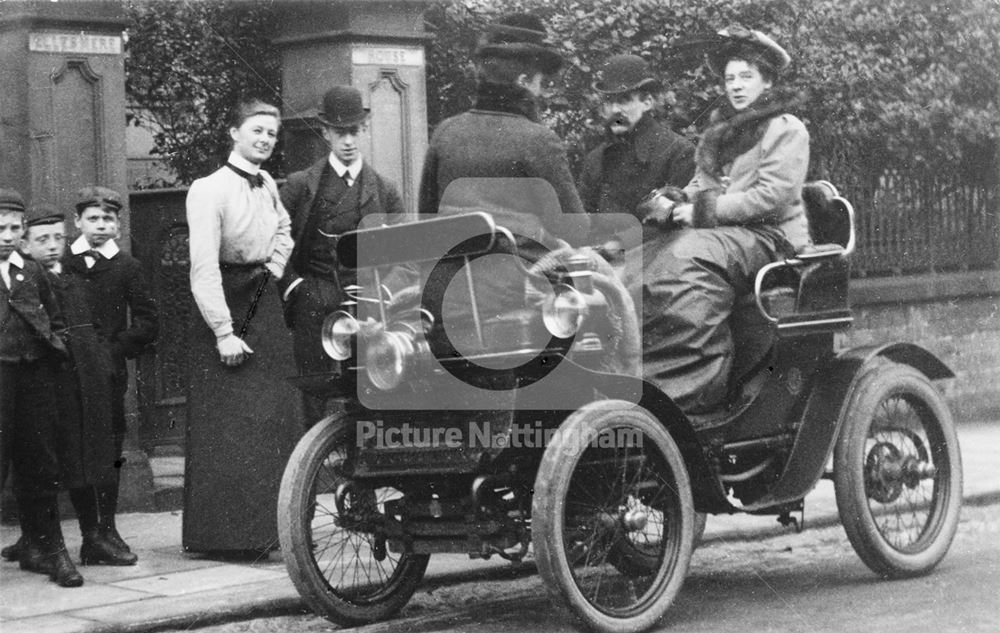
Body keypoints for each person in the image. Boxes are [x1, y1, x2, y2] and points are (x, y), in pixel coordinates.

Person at [625, 26, 811, 419]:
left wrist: (702, 213)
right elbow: (702, 184)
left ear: (768, 81)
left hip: (771, 237)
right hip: (731, 235)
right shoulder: (723, 133)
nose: (737, 86)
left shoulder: (787, 129)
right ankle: (643, 381)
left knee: (685, 258)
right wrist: (676, 199)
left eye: (747, 76)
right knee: (644, 258)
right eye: (730, 78)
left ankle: (690, 398)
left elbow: (770, 197)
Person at [414, 12, 590, 323]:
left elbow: (425, 216)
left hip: (446, 294)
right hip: (518, 296)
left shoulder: (445, 132)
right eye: (540, 83)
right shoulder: (538, 140)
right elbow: (575, 229)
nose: (542, 93)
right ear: (523, 81)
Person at [183, 96, 299, 555]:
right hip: (224, 304)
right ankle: (223, 538)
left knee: (269, 416)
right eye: (257, 130)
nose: (265, 140)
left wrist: (273, 267)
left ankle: (264, 533)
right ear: (234, 132)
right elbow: (202, 267)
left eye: (271, 134)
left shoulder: (268, 182)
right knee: (228, 426)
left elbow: (285, 229)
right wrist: (223, 331)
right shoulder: (207, 189)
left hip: (261, 298)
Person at [4, 205, 134, 568]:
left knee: (85, 456)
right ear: (26, 244)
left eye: (58, 238)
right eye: (42, 239)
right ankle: (35, 537)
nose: (52, 246)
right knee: (38, 459)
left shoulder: (74, 278)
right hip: (43, 381)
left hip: (80, 381)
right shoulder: (24, 280)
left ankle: (94, 536)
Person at [278, 85, 405, 426]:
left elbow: (408, 256)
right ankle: (313, 471)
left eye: (353, 131)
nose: (347, 141)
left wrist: (383, 297)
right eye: (339, 132)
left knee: (372, 387)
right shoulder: (301, 185)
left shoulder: (385, 190)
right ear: (326, 133)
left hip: (369, 303)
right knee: (314, 392)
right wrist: (296, 287)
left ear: (364, 130)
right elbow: (272, 242)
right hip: (314, 299)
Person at [63, 186, 158, 556]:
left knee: (109, 450)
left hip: (107, 377)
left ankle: (108, 529)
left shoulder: (127, 267)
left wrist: (111, 352)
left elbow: (149, 322)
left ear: (118, 224)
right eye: (93, 218)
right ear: (77, 222)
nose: (101, 226)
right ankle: (90, 534)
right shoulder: (62, 264)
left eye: (108, 219)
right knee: (75, 451)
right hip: (68, 375)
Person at [0, 189, 82, 587]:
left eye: (15, 227)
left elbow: (56, 318)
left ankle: (48, 550)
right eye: (0, 227)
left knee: (40, 462)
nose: (7, 235)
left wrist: (57, 349)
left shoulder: (31, 271)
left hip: (34, 379)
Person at [578, 54, 695, 252]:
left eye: (624, 100)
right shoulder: (596, 159)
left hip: (656, 262)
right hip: (601, 263)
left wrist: (615, 245)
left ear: (647, 102)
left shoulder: (677, 152)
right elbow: (583, 219)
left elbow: (675, 223)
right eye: (608, 101)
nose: (615, 109)